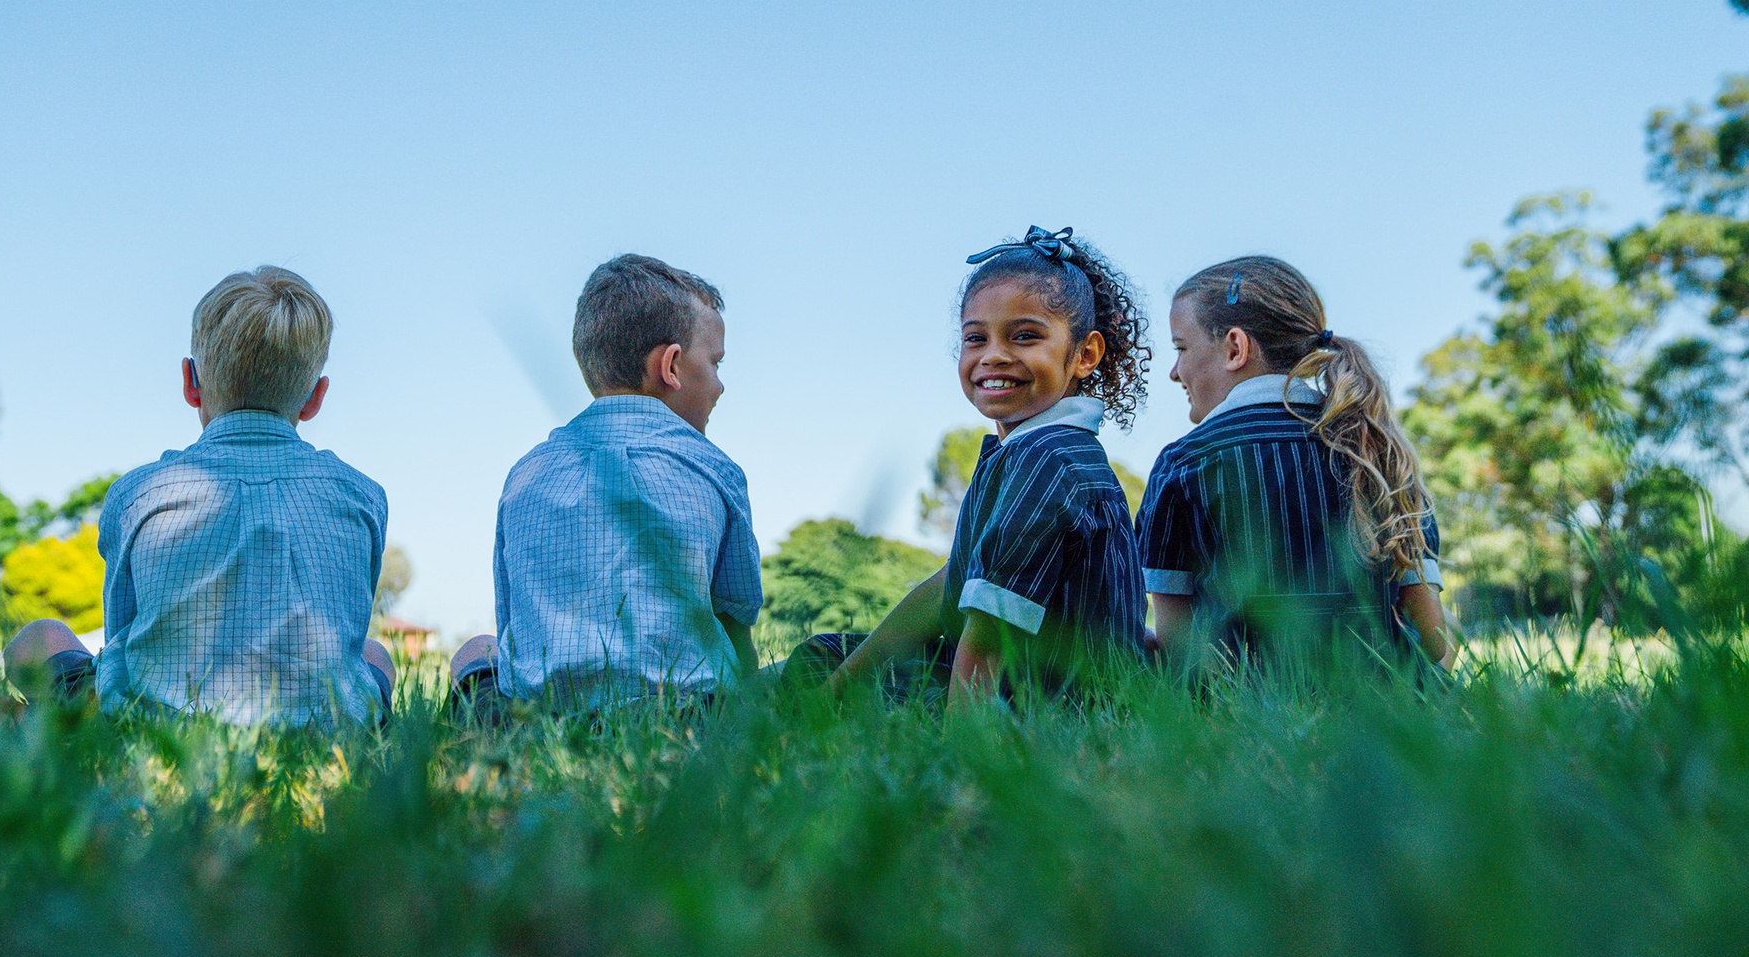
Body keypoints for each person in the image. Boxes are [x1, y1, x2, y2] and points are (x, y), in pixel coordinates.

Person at [5, 267, 396, 726]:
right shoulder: (363, 495)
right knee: (375, 654)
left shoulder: (139, 494)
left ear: (190, 383)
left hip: (153, 727)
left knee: (40, 635)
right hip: (328, 728)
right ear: (316, 397)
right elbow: (348, 626)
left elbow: (122, 638)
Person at [798, 226, 1150, 708]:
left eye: (1025, 336)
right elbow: (953, 582)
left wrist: (969, 765)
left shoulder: (1049, 458)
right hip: (1029, 686)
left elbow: (988, 641)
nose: (994, 356)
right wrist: (838, 686)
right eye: (975, 338)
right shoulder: (1027, 449)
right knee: (829, 656)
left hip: (1044, 706)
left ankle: (710, 724)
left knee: (814, 666)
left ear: (1085, 354)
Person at [449, 254, 762, 710]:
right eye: (716, 363)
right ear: (671, 366)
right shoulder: (713, 470)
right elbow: (736, 630)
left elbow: (513, 626)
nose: (720, 385)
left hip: (540, 721)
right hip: (686, 716)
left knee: (477, 649)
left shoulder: (524, 475)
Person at [1140, 255, 1454, 672]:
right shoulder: (1376, 452)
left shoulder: (1183, 463)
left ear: (1235, 348)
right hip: (1383, 722)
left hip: (1245, 728)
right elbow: (1434, 643)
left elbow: (1181, 654)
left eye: (1181, 348)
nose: (1175, 373)